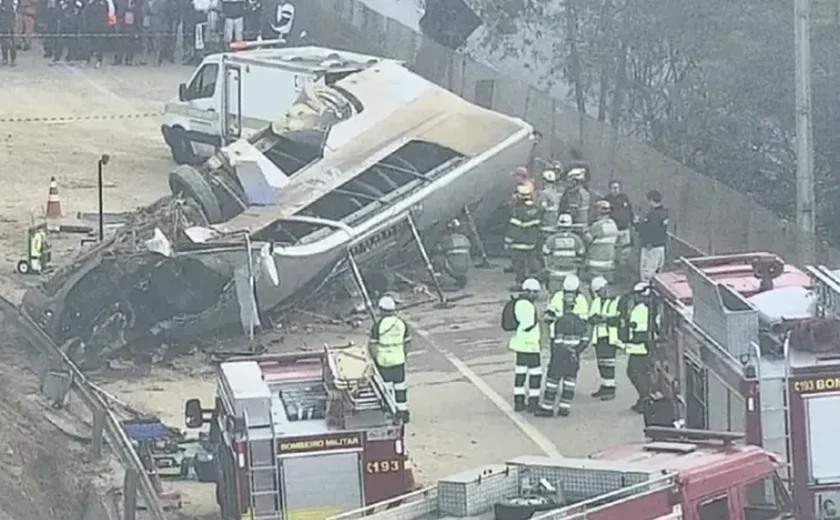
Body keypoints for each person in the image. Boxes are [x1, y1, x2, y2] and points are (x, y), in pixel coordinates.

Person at [535, 282, 588, 417]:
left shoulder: (561, 321)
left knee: (553, 381)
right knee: (570, 381)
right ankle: (564, 408)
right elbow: (585, 339)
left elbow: (558, 340)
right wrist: (576, 352)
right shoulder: (580, 321)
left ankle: (547, 407)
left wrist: (563, 352)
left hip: (560, 355)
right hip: (574, 355)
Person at [368, 296, 411, 423]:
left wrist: (374, 359)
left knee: (386, 388)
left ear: (381, 310)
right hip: (399, 360)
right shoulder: (401, 323)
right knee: (400, 387)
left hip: (384, 361)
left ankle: (389, 411)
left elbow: (373, 345)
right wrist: (403, 355)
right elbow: (407, 343)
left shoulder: (378, 325)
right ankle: (403, 412)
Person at [508, 278, 542, 412]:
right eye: (534, 292)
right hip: (530, 345)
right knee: (535, 374)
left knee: (520, 373)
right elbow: (528, 324)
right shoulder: (527, 305)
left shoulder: (518, 303)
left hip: (521, 344)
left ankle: (519, 402)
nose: (535, 295)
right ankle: (533, 402)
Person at [588, 277, 623, 401]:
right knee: (601, 363)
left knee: (609, 363)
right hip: (599, 336)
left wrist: (603, 319)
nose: (599, 293)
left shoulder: (616, 301)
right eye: (597, 292)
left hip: (610, 337)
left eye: (600, 290)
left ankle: (610, 388)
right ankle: (604, 386)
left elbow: (617, 319)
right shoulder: (597, 302)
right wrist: (602, 318)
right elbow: (591, 318)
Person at [623, 282, 655, 413]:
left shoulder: (641, 309)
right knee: (640, 374)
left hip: (640, 348)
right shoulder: (648, 308)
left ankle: (645, 399)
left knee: (635, 373)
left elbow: (640, 331)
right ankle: (644, 398)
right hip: (643, 348)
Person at [505, 183, 541, 287]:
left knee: (519, 265)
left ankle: (520, 284)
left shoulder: (518, 210)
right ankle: (531, 282)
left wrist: (508, 241)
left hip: (519, 244)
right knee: (531, 265)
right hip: (531, 243)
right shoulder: (535, 208)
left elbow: (514, 228)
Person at [542, 214, 584, 294]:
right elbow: (581, 253)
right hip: (571, 272)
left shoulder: (552, 239)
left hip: (555, 272)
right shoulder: (576, 239)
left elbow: (545, 253)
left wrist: (547, 268)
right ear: (571, 227)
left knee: (554, 295)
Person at [637, 189, 668, 283]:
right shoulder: (664, 212)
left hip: (651, 247)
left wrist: (638, 225)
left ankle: (646, 291)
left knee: (647, 271)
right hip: (661, 245)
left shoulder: (653, 214)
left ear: (650, 200)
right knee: (658, 270)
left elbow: (650, 230)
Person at [583, 200, 619, 284]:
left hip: (595, 262)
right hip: (609, 262)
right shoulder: (613, 224)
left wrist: (584, 231)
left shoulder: (597, 226)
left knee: (595, 285)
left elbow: (587, 240)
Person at [432, 219, 471, 291]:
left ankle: (437, 280)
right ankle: (460, 278)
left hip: (453, 268)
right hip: (464, 268)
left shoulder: (448, 239)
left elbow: (436, 249)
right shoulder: (465, 238)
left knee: (437, 258)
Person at [605, 180, 634, 273]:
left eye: (617, 188)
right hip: (613, 231)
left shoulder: (624, 198)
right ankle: (611, 273)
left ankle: (622, 272)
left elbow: (629, 211)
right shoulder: (607, 200)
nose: (616, 190)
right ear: (610, 189)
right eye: (613, 188)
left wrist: (632, 221)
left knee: (624, 253)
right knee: (612, 252)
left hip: (624, 229)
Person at [537, 169, 561, 243]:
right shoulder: (556, 193)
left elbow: (541, 208)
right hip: (555, 222)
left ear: (544, 180)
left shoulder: (544, 193)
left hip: (546, 223)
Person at [0, 0, 17, 66]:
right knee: (3, 38)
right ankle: (5, 58)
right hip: (2, 18)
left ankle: (13, 59)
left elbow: (15, 5)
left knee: (11, 39)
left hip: (10, 17)